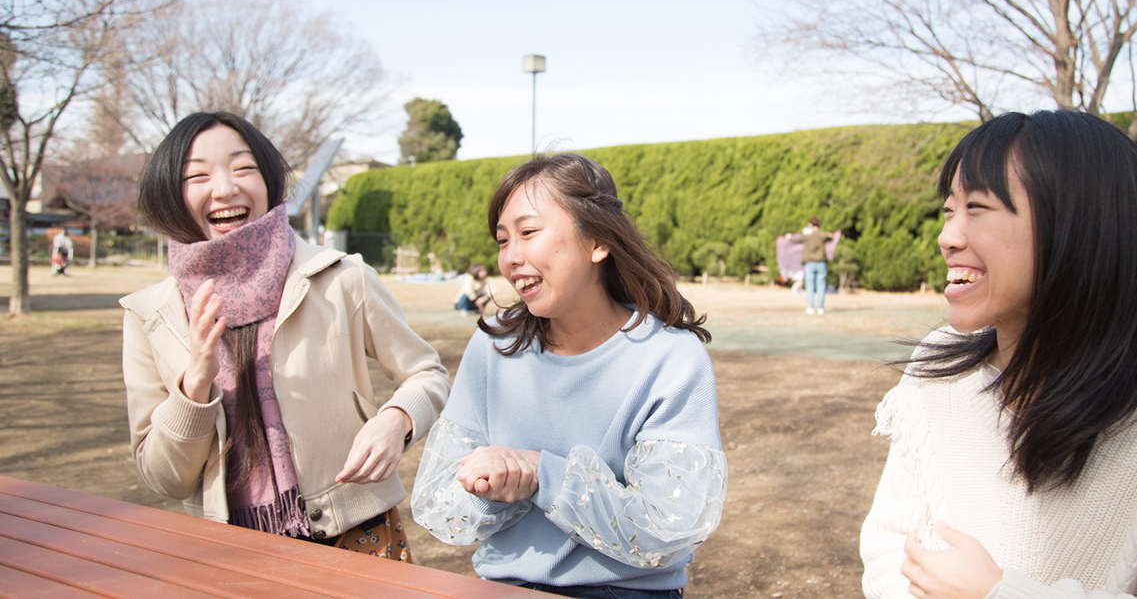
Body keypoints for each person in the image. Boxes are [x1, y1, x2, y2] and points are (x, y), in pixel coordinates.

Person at [859, 110, 1137, 599]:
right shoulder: (940, 368)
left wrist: (999, 594)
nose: (948, 237)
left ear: (1081, 225)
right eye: (949, 210)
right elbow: (891, 548)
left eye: (977, 208)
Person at [121, 111, 450, 561]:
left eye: (243, 168)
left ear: (269, 180)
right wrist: (194, 386)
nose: (225, 189)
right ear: (169, 195)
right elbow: (165, 478)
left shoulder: (342, 276)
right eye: (197, 176)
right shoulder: (148, 315)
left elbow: (426, 373)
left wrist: (397, 421)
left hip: (356, 537)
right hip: (230, 554)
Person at [411, 153, 727, 598]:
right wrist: (490, 489)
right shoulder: (493, 347)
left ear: (597, 241)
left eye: (528, 232)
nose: (511, 258)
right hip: (502, 585)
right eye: (503, 240)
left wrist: (544, 475)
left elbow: (667, 530)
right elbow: (438, 506)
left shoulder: (670, 358)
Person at [790, 217, 833, 314]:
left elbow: (795, 240)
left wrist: (789, 237)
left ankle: (810, 307)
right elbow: (831, 237)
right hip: (821, 263)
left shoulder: (807, 236)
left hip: (809, 264)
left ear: (810, 225)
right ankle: (821, 308)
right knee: (821, 286)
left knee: (810, 286)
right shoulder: (823, 235)